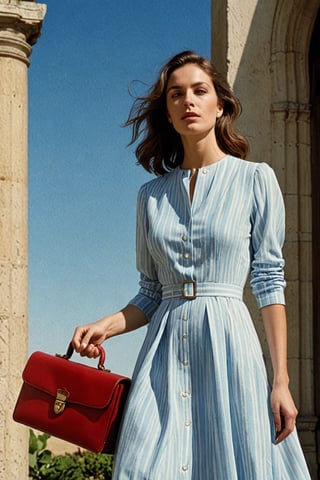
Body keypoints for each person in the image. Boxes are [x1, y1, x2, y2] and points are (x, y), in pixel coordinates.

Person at [72, 51, 311, 479]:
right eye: (176, 94)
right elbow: (150, 291)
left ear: (220, 104)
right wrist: (103, 326)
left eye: (199, 91)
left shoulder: (256, 180)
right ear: (166, 112)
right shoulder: (150, 196)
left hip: (229, 349)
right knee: (144, 463)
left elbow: (269, 282)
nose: (188, 101)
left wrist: (281, 381)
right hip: (163, 353)